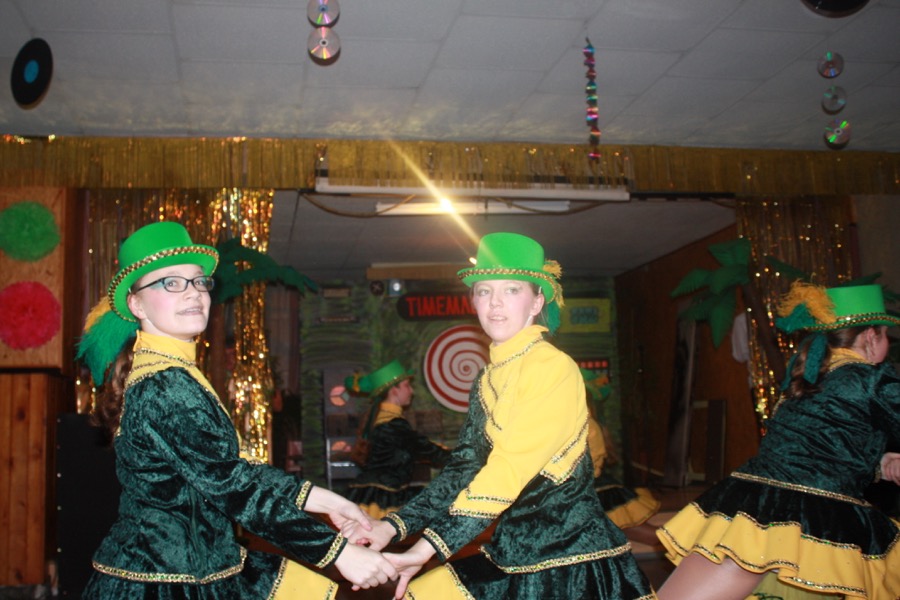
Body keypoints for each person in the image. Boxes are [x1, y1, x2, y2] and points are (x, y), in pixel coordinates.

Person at [76, 221, 397, 598]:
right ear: (136, 303)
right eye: (171, 282)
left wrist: (329, 502)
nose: (193, 292)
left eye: (199, 281)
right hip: (162, 581)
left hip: (201, 564)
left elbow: (234, 470)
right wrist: (336, 552)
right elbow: (233, 486)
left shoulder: (173, 373)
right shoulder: (165, 384)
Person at [346, 232, 656, 599]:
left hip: (571, 564)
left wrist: (425, 548)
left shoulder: (552, 366)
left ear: (537, 301)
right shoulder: (486, 379)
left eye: (511, 290)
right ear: (473, 301)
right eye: (484, 291)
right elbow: (463, 469)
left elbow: (508, 470)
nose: (495, 303)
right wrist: (393, 526)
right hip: (511, 553)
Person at [656, 281, 900, 600]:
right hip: (811, 518)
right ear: (870, 336)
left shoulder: (808, 379)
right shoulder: (871, 378)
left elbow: (818, 447)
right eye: (886, 335)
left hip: (752, 506)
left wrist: (880, 462)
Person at [344, 360, 451, 518]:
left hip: (373, 493)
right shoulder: (392, 424)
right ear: (394, 390)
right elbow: (425, 448)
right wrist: (464, 457)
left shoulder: (381, 420)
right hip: (382, 498)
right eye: (407, 385)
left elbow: (417, 447)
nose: (411, 391)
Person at [582, 370, 661, 548]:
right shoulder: (584, 423)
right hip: (590, 489)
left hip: (594, 491)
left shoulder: (585, 425)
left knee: (653, 536)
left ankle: (694, 547)